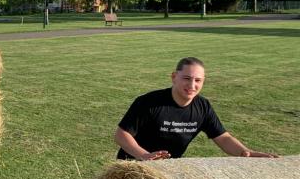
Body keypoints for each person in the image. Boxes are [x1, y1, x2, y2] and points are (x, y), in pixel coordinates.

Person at [115, 57, 277, 161]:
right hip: (132, 166)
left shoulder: (203, 107)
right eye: (187, 78)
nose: (192, 85)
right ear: (174, 77)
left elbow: (222, 137)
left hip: (167, 172)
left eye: (198, 80)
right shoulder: (149, 102)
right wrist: (144, 155)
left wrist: (245, 152)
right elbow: (121, 135)